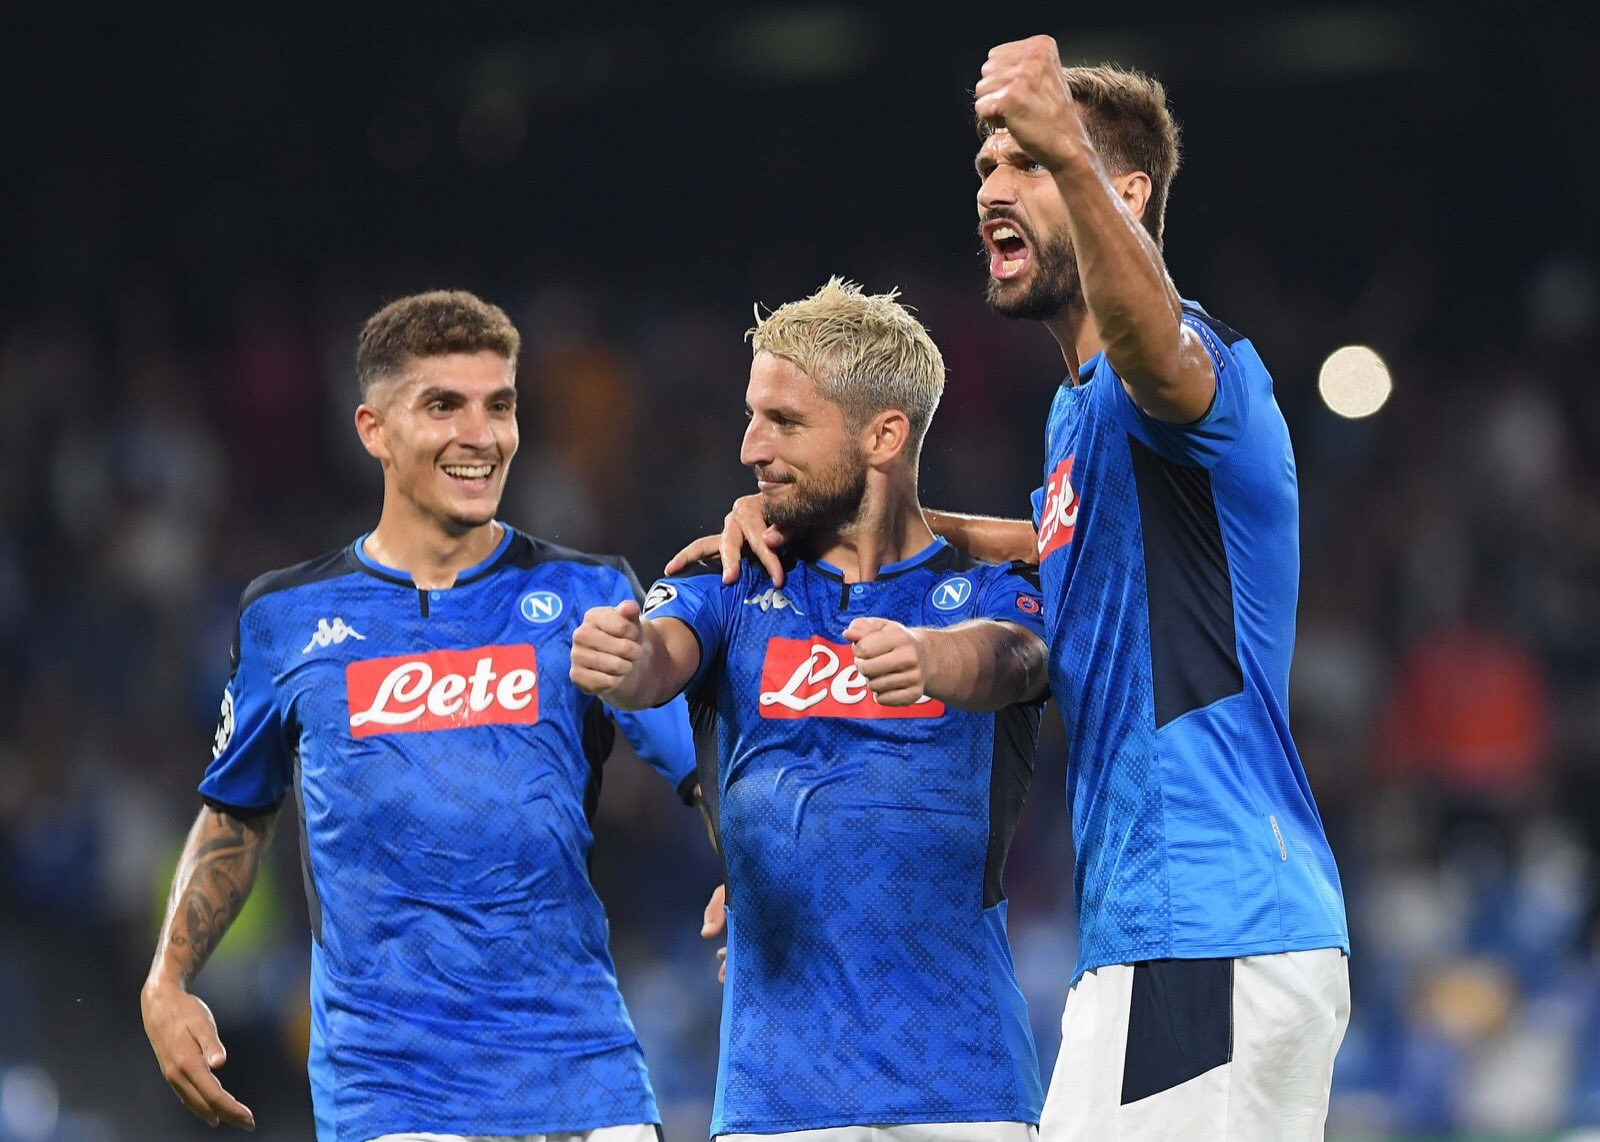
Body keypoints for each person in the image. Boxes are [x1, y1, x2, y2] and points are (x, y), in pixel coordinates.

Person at [672, 39, 1350, 1141]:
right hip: (1152, 936)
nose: (993, 184)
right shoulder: (1080, 416)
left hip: (1213, 921)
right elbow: (1051, 543)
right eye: (988, 164)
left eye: (1028, 160)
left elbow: (1159, 345)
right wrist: (819, 521)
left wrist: (1067, 151)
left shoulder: (1191, 368)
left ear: (1126, 193)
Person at [140, 290, 697, 1142]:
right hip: (391, 1092)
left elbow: (706, 770)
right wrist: (168, 978)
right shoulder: (285, 618)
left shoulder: (589, 593)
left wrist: (747, 870)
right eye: (444, 406)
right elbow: (235, 815)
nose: (481, 435)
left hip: (583, 1077)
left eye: (499, 406)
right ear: (373, 429)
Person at [571, 278, 1051, 1142]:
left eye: (785, 422)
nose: (751, 447)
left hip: (968, 1088)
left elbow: (1017, 658)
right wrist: (622, 656)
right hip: (777, 1099)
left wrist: (931, 659)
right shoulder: (731, 580)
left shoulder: (988, 590)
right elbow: (658, 657)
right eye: (752, 417)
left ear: (884, 436)